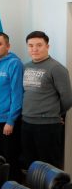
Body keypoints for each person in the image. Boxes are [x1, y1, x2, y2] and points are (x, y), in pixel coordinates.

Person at [21, 31, 72, 168]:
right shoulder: (25, 67)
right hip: (26, 122)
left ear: (47, 47)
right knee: (31, 165)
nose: (34, 49)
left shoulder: (57, 68)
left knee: (48, 167)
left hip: (47, 125)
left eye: (39, 45)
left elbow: (67, 98)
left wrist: (57, 113)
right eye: (31, 45)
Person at [0, 32, 23, 178]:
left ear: (8, 46)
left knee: (10, 162)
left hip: (6, 122)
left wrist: (11, 120)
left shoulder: (14, 64)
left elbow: (17, 94)